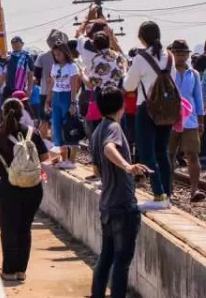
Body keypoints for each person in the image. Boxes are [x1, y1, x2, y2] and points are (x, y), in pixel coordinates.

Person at [0, 98, 49, 282]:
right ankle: (21, 271)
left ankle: (9, 270)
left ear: (2, 113)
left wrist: (3, 162)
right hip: (33, 187)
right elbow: (44, 156)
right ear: (22, 113)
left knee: (9, 229)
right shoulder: (32, 132)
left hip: (8, 188)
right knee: (24, 228)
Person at [90, 85, 147, 298]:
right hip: (123, 204)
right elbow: (109, 148)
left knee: (106, 258)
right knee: (122, 263)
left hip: (107, 204)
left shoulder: (96, 131)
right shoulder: (113, 128)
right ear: (120, 105)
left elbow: (96, 169)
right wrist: (128, 167)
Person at [124, 21, 174, 210]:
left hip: (146, 109)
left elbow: (128, 86)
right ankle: (167, 195)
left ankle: (158, 194)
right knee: (162, 152)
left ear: (142, 38)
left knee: (147, 153)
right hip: (167, 110)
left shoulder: (140, 58)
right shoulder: (169, 57)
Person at [168, 40, 205, 202]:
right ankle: (167, 190)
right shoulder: (166, 72)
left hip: (189, 121)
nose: (182, 57)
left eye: (184, 54)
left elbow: (198, 98)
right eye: (178, 54)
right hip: (169, 120)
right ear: (172, 54)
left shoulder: (194, 74)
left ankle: (194, 190)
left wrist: (201, 121)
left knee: (192, 155)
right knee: (169, 155)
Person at [46, 42, 81, 168]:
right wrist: (47, 101)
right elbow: (51, 84)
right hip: (56, 97)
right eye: (55, 54)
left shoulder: (72, 67)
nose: (57, 56)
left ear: (65, 53)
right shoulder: (54, 66)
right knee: (57, 127)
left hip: (67, 97)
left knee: (70, 127)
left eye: (59, 54)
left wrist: (72, 103)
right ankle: (63, 158)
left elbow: (74, 86)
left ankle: (72, 161)